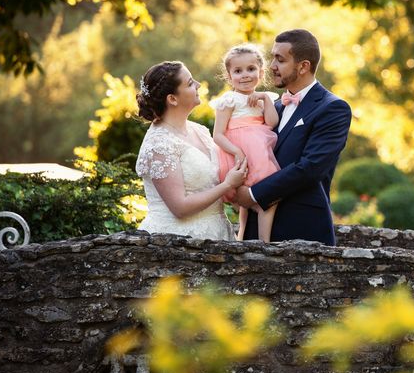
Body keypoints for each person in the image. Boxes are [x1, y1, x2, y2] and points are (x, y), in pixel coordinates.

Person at [236, 29, 352, 245]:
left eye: (280, 60)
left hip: (302, 228)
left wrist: (253, 194)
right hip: (255, 228)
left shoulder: (333, 108)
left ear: (303, 66)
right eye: (272, 58)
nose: (271, 66)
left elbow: (310, 168)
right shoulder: (272, 107)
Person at [135, 60, 248, 239]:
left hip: (218, 233)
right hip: (177, 239)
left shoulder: (200, 130)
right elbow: (179, 207)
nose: (198, 84)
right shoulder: (158, 143)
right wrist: (227, 184)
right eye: (189, 83)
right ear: (172, 99)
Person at [209, 44, 280, 242]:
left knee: (256, 197)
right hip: (240, 154)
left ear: (261, 72)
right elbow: (218, 135)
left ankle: (252, 240)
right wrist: (237, 151)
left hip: (259, 150)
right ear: (229, 76)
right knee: (262, 200)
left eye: (251, 69)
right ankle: (261, 242)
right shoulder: (229, 100)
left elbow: (272, 123)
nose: (245, 75)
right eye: (238, 71)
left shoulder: (264, 98)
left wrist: (265, 99)